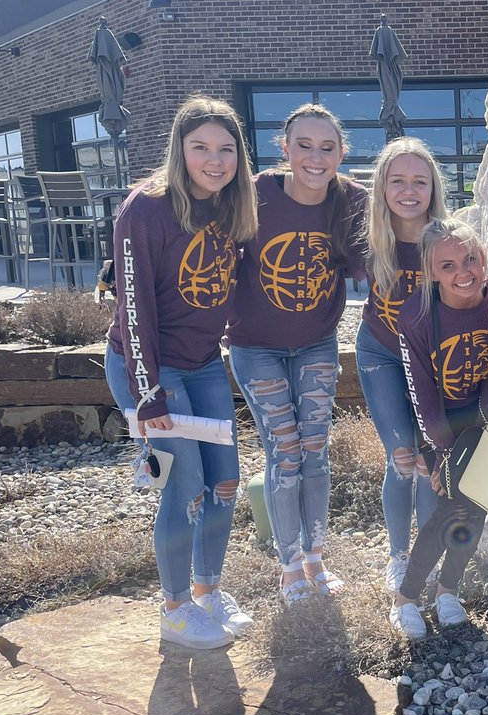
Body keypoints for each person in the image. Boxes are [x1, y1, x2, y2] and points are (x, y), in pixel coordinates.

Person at [104, 95, 258, 648]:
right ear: (180, 149)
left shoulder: (231, 204)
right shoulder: (144, 210)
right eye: (200, 148)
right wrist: (149, 395)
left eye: (225, 149)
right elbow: (134, 307)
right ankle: (173, 611)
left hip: (203, 365)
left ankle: (206, 592)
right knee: (185, 485)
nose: (214, 161)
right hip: (150, 367)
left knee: (224, 481)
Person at [226, 103, 369, 603]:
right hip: (256, 346)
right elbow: (203, 235)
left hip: (315, 344)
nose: (315, 156)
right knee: (283, 453)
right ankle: (289, 568)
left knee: (316, 451)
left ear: (341, 153)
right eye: (303, 145)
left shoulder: (352, 200)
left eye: (327, 147)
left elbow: (380, 257)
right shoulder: (255, 192)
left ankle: (316, 558)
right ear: (284, 149)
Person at [388, 218, 488, 638]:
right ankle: (407, 597)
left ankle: (448, 589)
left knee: (477, 507)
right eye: (448, 265)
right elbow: (421, 393)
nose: (463, 272)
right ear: (431, 272)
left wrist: (485, 431)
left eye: (470, 259)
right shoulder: (418, 318)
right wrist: (444, 452)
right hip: (443, 426)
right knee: (451, 508)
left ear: (483, 258)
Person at [356, 138, 450, 595]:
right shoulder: (370, 237)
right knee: (402, 459)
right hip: (382, 355)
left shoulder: (448, 240)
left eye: (420, 180)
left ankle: (427, 559)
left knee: (431, 461)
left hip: (434, 361)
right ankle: (398, 556)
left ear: (433, 188)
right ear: (382, 187)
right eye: (398, 180)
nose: (409, 190)